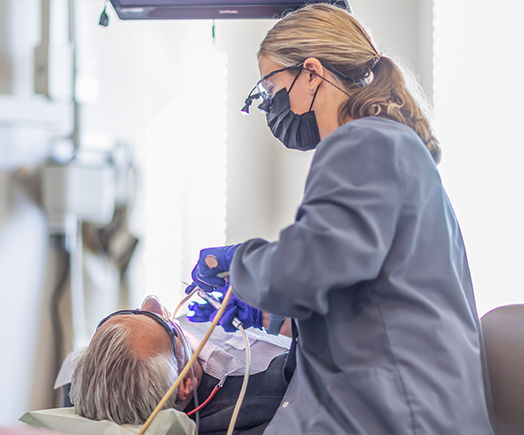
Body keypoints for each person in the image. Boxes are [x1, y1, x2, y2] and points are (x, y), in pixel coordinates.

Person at [185, 3, 497, 434]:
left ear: (311, 73)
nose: (272, 106)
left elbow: (309, 269)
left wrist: (239, 265)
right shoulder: (384, 144)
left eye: (271, 88)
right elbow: (364, 291)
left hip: (398, 415)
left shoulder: (363, 144)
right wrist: (273, 314)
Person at [63, 295, 290, 435]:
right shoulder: (269, 395)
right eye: (167, 327)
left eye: (135, 312)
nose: (153, 303)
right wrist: (279, 317)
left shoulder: (78, 381)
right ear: (183, 385)